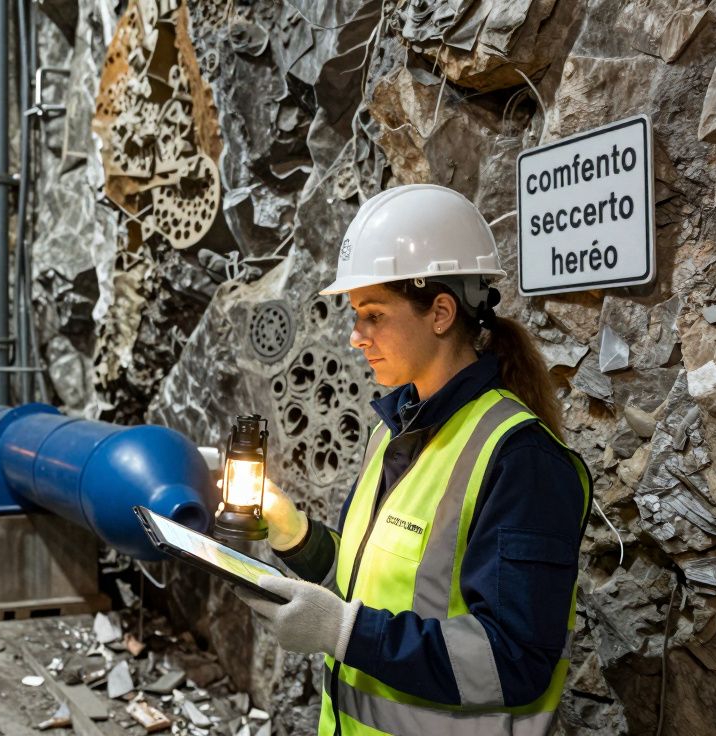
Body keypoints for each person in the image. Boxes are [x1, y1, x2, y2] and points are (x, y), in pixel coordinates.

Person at [235, 184, 591, 735]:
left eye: (372, 314)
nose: (356, 337)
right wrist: (294, 535)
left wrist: (341, 633)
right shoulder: (395, 432)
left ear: (441, 312)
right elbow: (369, 588)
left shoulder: (520, 460)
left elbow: (514, 660)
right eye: (356, 315)